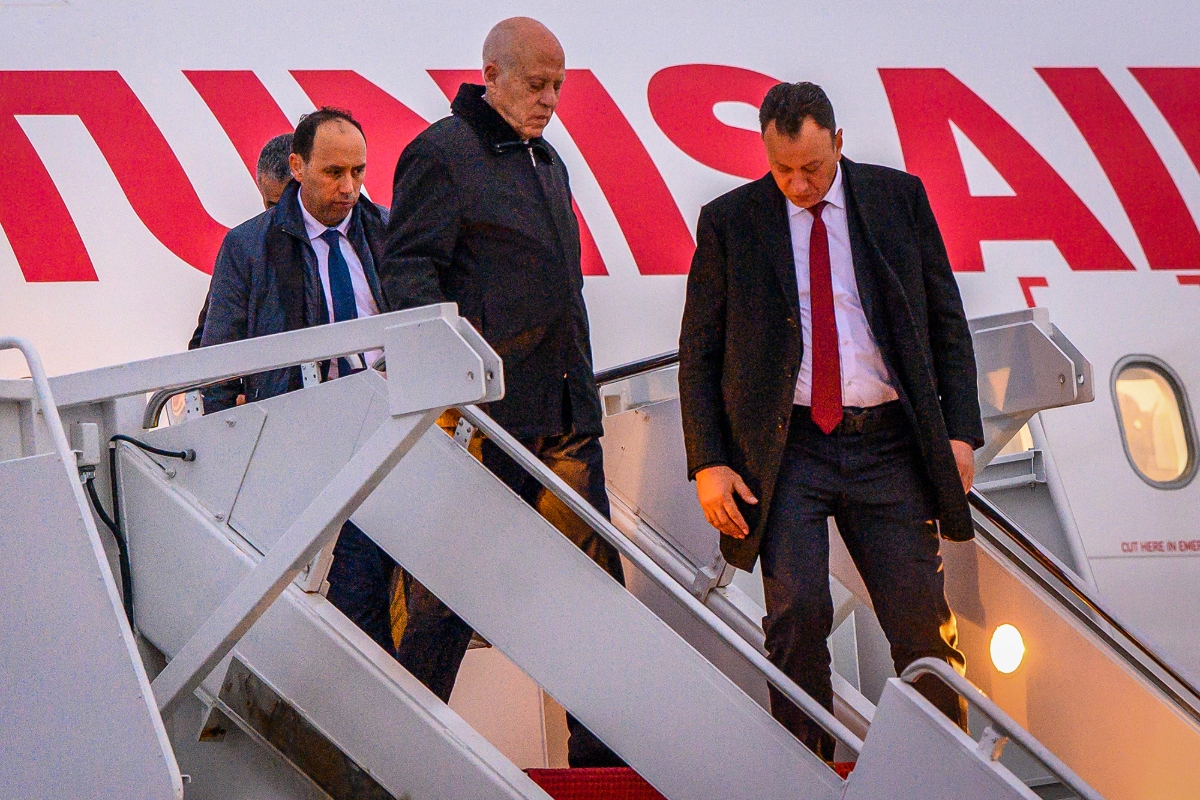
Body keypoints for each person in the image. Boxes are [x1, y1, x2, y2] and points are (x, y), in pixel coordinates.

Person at [677, 81, 982, 759]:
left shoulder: (896, 200)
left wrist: (959, 431)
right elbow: (698, 352)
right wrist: (708, 462)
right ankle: (803, 772)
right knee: (796, 615)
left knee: (921, 626)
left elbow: (945, 323)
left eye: (811, 167)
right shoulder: (731, 222)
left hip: (889, 447)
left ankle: (945, 776)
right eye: (782, 168)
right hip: (789, 452)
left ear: (839, 143)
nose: (797, 183)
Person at [379, 17, 624, 768]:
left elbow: (564, 292)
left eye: (559, 85)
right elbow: (409, 279)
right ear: (493, 73)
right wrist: (455, 392)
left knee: (593, 599)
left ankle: (603, 764)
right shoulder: (439, 154)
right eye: (536, 83)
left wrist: (583, 397)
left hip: (564, 416)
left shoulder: (547, 161)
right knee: (445, 601)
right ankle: (402, 755)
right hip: (487, 422)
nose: (550, 98)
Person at [199, 109, 398, 657]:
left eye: (358, 171)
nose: (349, 188)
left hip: (397, 433)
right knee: (359, 598)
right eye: (334, 172)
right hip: (313, 447)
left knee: (431, 604)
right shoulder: (249, 247)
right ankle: (378, 725)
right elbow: (217, 360)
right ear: (297, 167)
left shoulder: (386, 231)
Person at [188, 132, 294, 352]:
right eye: (273, 206)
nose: (282, 216)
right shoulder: (244, 248)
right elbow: (208, 339)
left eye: (291, 204)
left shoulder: (361, 232)